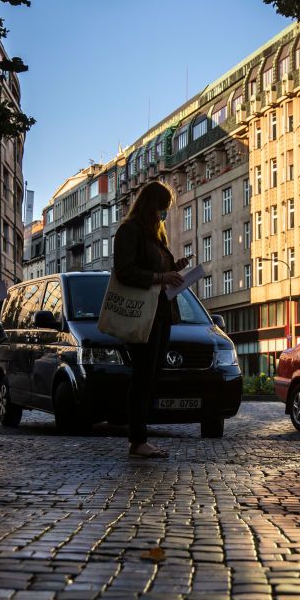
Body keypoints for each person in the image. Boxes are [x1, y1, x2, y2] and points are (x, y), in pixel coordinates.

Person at [112, 181, 190, 459]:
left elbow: (157, 270)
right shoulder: (129, 231)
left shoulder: (155, 236)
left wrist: (174, 268)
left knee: (151, 375)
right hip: (141, 315)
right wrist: (160, 277)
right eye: (162, 208)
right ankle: (138, 439)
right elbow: (124, 271)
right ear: (150, 206)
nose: (164, 215)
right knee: (143, 376)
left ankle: (140, 438)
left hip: (161, 313)